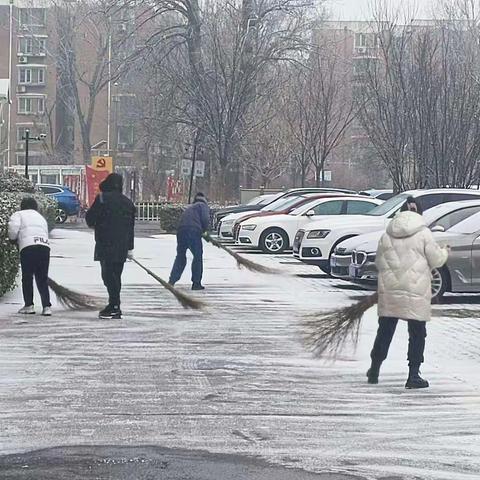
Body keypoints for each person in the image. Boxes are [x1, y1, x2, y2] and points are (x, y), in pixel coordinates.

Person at [367, 196, 449, 389]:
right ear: (419, 213)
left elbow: (379, 261)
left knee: (385, 331)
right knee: (417, 333)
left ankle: (375, 368)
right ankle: (413, 375)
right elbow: (436, 260)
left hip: (390, 290)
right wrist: (445, 251)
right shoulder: (423, 234)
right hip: (415, 291)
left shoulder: (387, 234)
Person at [86, 173, 135, 319]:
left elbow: (90, 218)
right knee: (116, 275)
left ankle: (114, 304)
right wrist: (130, 248)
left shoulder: (102, 199)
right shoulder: (128, 203)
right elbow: (130, 228)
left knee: (108, 275)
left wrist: (97, 224)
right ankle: (114, 304)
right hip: (121, 246)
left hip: (105, 243)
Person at [8, 197, 52, 316]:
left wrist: (12, 240)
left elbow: (13, 229)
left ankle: (29, 305)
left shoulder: (18, 214)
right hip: (44, 246)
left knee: (27, 277)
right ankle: (46, 306)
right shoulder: (40, 217)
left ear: (22, 206)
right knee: (42, 278)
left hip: (28, 247)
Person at [169, 192, 210, 290]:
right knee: (197, 256)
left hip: (181, 231)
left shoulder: (190, 208)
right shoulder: (202, 205)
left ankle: (172, 281)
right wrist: (205, 231)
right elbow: (205, 219)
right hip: (194, 231)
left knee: (180, 256)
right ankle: (196, 283)